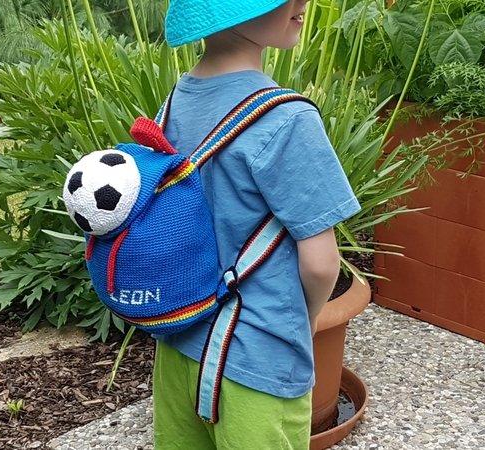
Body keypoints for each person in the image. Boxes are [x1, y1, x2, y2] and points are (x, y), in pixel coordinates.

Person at [153, 0, 361, 448]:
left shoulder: (173, 104)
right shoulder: (287, 119)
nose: (302, 3)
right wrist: (305, 321)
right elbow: (321, 264)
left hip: (178, 342)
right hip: (257, 362)